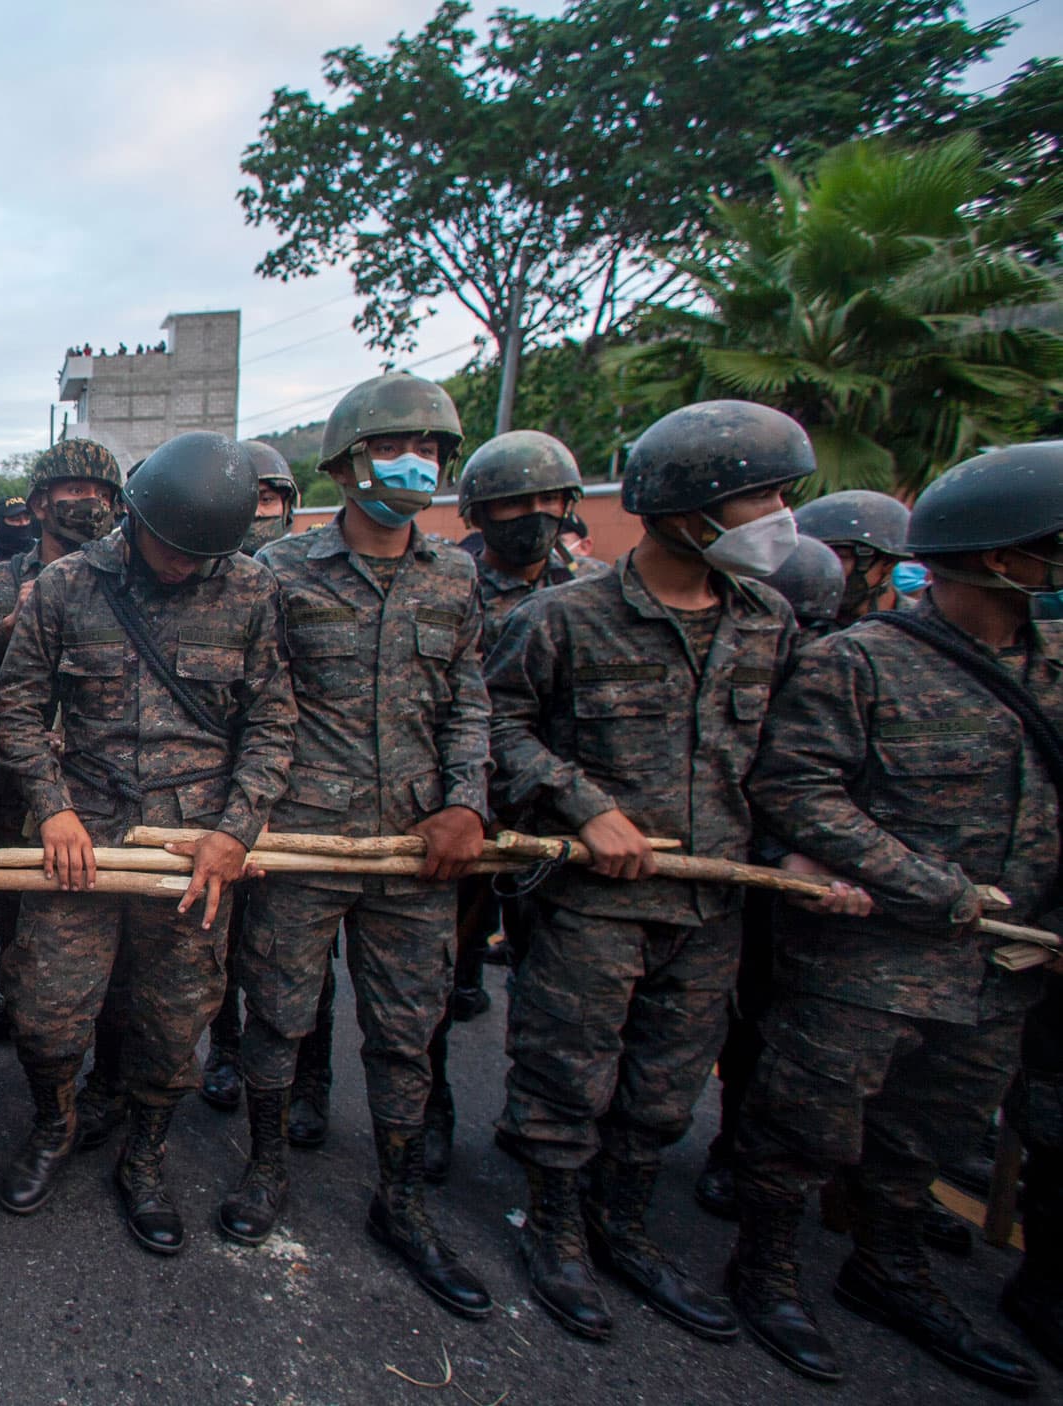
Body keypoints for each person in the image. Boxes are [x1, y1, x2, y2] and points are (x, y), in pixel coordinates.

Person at [486, 399, 844, 1344]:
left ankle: (625, 1224)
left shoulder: (769, 621)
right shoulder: (563, 617)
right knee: (570, 1068)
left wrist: (803, 846)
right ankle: (555, 1228)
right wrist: (584, 802)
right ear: (687, 509)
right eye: (756, 496)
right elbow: (497, 729)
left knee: (665, 1087)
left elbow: (793, 761)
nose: (778, 515)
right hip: (594, 900)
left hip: (714, 895)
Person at [727, 443, 1063, 1391]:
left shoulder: (1055, 670)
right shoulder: (858, 664)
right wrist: (926, 885)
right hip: (868, 957)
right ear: (1003, 557)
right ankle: (765, 1266)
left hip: (1002, 968)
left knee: (928, 1135)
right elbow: (795, 790)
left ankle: (891, 1266)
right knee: (805, 1124)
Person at [231, 374, 493, 1320]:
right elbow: (250, 708)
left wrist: (466, 805)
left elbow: (468, 702)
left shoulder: (456, 576)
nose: (413, 462)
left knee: (407, 1030)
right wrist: (244, 821)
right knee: (278, 1016)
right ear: (343, 464)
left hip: (417, 850)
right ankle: (265, 1172)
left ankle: (403, 1200)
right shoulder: (278, 573)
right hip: (301, 838)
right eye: (393, 446)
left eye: (429, 447)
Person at [0, 432, 294, 1258]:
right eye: (168, 547)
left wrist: (235, 831)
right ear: (134, 516)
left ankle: (145, 1156)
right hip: (79, 843)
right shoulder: (65, 585)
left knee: (172, 1029)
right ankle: (54, 1127)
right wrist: (50, 807)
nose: (180, 567)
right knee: (46, 1016)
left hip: (190, 855)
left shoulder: (249, 590)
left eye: (201, 556)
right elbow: (14, 709)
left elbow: (271, 723)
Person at [417, 428, 587, 1179]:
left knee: (560, 993)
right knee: (432, 976)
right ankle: (429, 1107)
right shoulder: (451, 583)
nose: (537, 515)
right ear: (482, 511)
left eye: (551, 500)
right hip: (460, 810)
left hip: (560, 821)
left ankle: (548, 1137)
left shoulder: (588, 593)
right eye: (518, 501)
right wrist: (463, 800)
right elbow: (464, 709)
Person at [0, 440, 128, 1151]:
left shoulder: (127, 580)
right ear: (36, 503)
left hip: (88, 783)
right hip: (6, 776)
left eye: (97, 489)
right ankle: (12, 1000)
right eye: (68, 488)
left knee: (89, 922)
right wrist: (9, 622)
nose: (83, 500)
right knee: (11, 904)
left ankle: (104, 1071)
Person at [202, 438, 303, 1119]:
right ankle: (223, 1049)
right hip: (220, 798)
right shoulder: (227, 577)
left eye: (271, 498)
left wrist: (251, 810)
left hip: (295, 799)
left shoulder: (271, 580)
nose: (260, 510)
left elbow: (276, 710)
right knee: (218, 943)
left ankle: (300, 1090)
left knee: (284, 971)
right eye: (251, 498)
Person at [793, 489, 911, 630]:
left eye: (840, 557)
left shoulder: (923, 629)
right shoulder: (793, 625)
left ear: (887, 563)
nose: (824, 566)